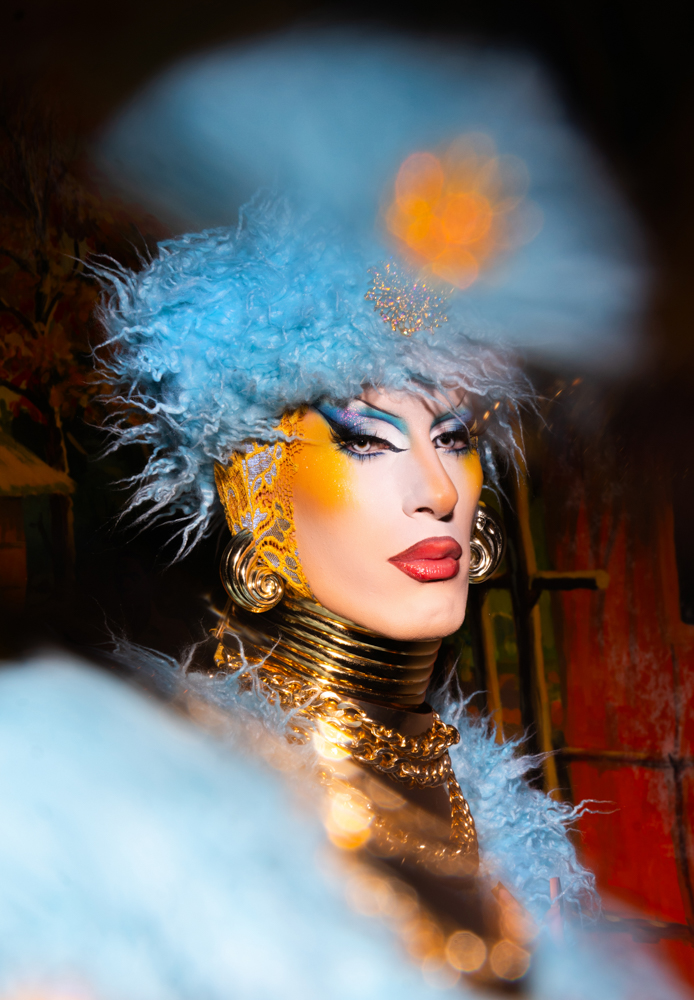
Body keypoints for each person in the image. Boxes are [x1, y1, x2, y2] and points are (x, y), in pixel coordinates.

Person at [80, 26, 683, 997]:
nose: (437, 489)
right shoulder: (159, 806)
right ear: (254, 487)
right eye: (368, 439)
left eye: (454, 436)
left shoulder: (501, 816)